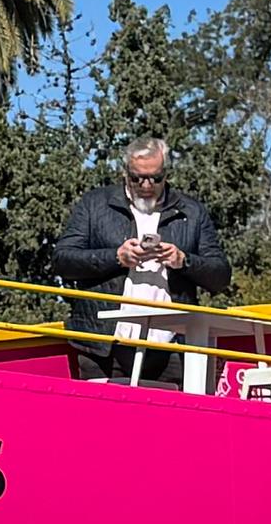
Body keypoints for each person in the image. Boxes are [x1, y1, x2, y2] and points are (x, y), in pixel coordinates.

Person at [51, 136, 232, 386]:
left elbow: (221, 276)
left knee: (169, 412)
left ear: (166, 174)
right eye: (138, 178)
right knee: (105, 411)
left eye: (155, 178)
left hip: (171, 346)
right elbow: (62, 261)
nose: (146, 185)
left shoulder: (191, 212)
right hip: (103, 344)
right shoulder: (95, 204)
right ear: (125, 173)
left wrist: (183, 260)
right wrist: (117, 257)